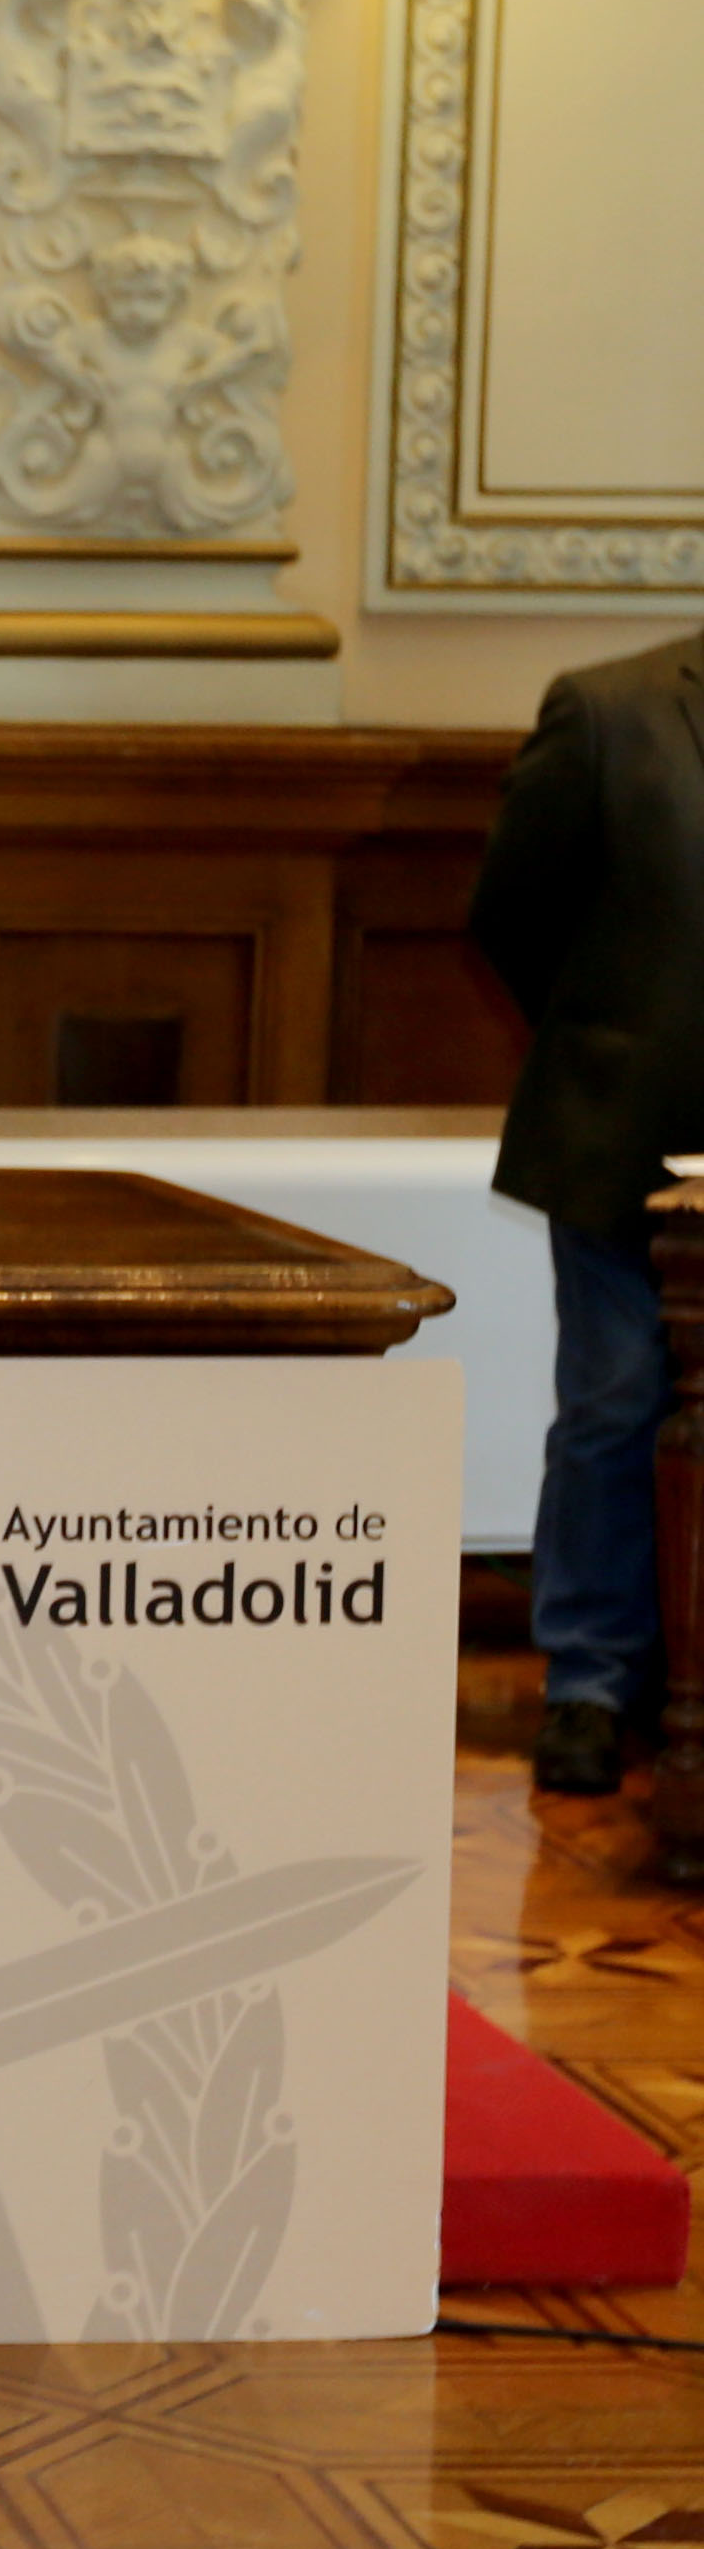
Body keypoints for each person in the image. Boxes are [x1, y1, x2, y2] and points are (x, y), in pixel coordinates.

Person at [470, 628, 704, 1797]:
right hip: (627, 1134)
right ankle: (593, 1686)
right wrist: (614, 1045)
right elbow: (513, 911)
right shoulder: (611, 711)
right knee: (616, 1401)